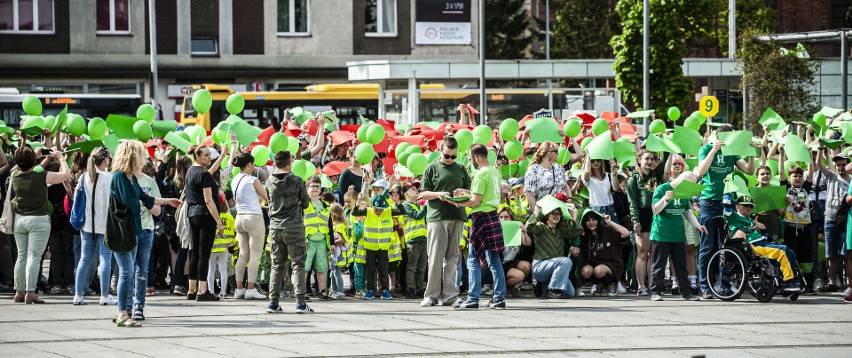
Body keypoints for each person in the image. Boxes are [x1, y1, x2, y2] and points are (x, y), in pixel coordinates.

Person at [110, 141, 181, 327]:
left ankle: (126, 311)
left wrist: (167, 201)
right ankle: (122, 312)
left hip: (134, 230)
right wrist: (145, 203)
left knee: (132, 271)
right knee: (127, 272)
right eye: (141, 155)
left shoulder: (131, 178)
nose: (144, 159)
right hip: (122, 231)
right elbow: (131, 203)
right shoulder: (119, 177)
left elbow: (146, 198)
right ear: (133, 156)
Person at [695, 124, 754, 299]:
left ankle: (724, 285)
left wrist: (751, 152)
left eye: (729, 136)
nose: (726, 139)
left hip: (727, 202)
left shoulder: (733, 152)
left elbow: (750, 170)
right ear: (716, 136)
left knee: (726, 246)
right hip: (708, 202)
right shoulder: (706, 149)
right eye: (723, 136)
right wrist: (713, 150)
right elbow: (701, 170)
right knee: (707, 246)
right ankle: (705, 286)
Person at [11, 145, 71, 304]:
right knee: (34, 256)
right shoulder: (41, 176)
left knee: (21, 255)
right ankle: (30, 292)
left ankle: (19, 291)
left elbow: (17, 167)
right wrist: (61, 158)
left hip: (19, 220)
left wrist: (34, 156)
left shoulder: (15, 176)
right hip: (38, 219)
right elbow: (65, 175)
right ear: (33, 161)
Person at [452, 144, 507, 310]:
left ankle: (473, 298)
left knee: (473, 259)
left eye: (470, 157)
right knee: (495, 261)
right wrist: (465, 191)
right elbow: (483, 195)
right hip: (492, 216)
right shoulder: (494, 172)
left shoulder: (481, 174)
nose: (470, 161)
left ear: (476, 157)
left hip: (480, 217)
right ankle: (499, 298)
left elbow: (475, 201)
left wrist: (455, 203)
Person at [418, 136, 471, 307]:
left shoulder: (461, 168)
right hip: (437, 216)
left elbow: (471, 193)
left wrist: (463, 191)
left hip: (457, 215)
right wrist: (438, 194)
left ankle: (449, 295)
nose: (450, 160)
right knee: (434, 258)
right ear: (440, 149)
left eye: (453, 156)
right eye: (447, 156)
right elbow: (422, 194)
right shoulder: (431, 167)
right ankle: (431, 295)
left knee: (453, 258)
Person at [265, 150, 313, 314]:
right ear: (289, 163)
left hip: (275, 227)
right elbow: (306, 203)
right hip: (294, 227)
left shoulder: (269, 181)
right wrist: (298, 201)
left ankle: (273, 303)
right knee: (298, 265)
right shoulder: (297, 181)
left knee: (277, 266)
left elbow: (270, 202)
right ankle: (300, 303)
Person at [725, 195, 803, 293]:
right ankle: (788, 282)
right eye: (745, 205)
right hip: (751, 246)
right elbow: (726, 206)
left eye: (751, 206)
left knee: (790, 252)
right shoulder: (733, 217)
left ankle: (791, 281)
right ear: (737, 206)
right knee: (783, 250)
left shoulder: (751, 220)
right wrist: (727, 192)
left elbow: (764, 236)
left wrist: (763, 228)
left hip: (762, 242)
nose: (749, 208)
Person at [648, 172, 706, 302]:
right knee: (659, 265)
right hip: (661, 234)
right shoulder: (662, 189)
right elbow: (655, 209)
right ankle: (655, 292)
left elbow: (687, 211)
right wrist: (665, 199)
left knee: (681, 265)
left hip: (677, 234)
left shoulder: (684, 193)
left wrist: (697, 225)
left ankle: (686, 293)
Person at [72, 147, 115, 306]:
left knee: (84, 258)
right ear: (105, 160)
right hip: (105, 225)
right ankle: (104, 295)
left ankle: (78, 294)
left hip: (87, 225)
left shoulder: (84, 177)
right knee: (105, 259)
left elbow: (77, 199)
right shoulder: (109, 177)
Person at [183, 145, 225, 302]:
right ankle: (202, 290)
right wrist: (219, 221)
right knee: (204, 254)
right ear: (198, 157)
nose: (209, 157)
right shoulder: (204, 174)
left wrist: (223, 155)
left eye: (210, 155)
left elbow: (210, 171)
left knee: (194, 252)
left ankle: (191, 289)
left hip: (193, 214)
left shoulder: (191, 171)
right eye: (206, 155)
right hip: (206, 216)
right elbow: (208, 200)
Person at [351, 176, 401, 300]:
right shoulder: (367, 211)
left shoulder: (388, 211)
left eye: (381, 208)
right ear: (372, 206)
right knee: (370, 270)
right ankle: (371, 290)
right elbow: (354, 213)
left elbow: (400, 210)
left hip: (384, 247)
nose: (378, 210)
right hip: (370, 247)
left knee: (384, 270)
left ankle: (385, 290)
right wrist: (357, 203)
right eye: (376, 208)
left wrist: (397, 201)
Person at [230, 151, 270, 300]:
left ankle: (239, 288)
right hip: (254, 217)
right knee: (255, 255)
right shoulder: (253, 180)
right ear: (250, 164)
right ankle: (251, 288)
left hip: (239, 217)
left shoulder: (235, 179)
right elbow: (266, 197)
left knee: (242, 254)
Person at [778, 147, 817, 294]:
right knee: (790, 256)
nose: (798, 178)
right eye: (794, 176)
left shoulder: (806, 188)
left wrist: (808, 155)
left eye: (800, 176)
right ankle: (790, 282)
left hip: (804, 228)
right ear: (790, 178)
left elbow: (811, 172)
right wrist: (781, 154)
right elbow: (781, 172)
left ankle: (809, 285)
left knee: (806, 257)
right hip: (789, 228)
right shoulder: (786, 188)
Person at [527, 196, 581, 299]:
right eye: (553, 213)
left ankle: (543, 288)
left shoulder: (561, 230)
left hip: (555, 268)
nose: (556, 216)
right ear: (547, 215)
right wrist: (535, 213)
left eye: (558, 214)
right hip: (540, 267)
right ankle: (552, 289)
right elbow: (529, 227)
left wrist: (574, 219)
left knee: (570, 293)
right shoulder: (540, 227)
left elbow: (578, 232)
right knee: (566, 261)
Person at [625, 149, 661, 295]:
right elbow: (632, 202)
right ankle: (641, 286)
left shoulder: (655, 176)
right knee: (642, 252)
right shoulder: (633, 179)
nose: (649, 161)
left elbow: (664, 163)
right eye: (646, 158)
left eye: (651, 159)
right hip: (643, 215)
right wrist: (636, 221)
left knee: (654, 253)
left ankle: (652, 286)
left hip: (656, 215)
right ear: (639, 160)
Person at [131, 159, 163, 321]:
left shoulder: (150, 182)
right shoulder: (123, 179)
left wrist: (146, 201)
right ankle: (126, 307)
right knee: (127, 270)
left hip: (146, 230)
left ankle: (139, 307)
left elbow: (157, 212)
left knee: (142, 269)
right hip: (128, 230)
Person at [814, 150, 850, 293]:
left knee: (845, 253)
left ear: (847, 164)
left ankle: (848, 282)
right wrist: (821, 148)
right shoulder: (832, 177)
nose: (840, 167)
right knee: (830, 254)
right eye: (838, 165)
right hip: (829, 220)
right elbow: (818, 163)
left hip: (844, 221)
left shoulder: (851, 180)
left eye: (843, 165)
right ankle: (832, 281)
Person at [579, 209, 631, 297]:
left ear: (598, 220)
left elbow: (626, 233)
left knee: (598, 270)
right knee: (585, 272)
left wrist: (610, 222)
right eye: (588, 220)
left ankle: (612, 283)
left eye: (594, 219)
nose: (591, 222)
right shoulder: (585, 236)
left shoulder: (607, 230)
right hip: (595, 265)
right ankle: (599, 283)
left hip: (612, 264)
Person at [303, 175, 332, 300]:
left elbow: (330, 225)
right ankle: (302, 291)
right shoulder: (304, 204)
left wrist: (332, 243)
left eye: (317, 186)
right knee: (305, 267)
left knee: (322, 267)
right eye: (312, 186)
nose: (315, 188)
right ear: (307, 188)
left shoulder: (325, 206)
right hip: (308, 240)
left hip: (321, 240)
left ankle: (322, 291)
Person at [398, 181, 428, 299]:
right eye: (412, 189)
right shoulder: (406, 205)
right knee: (412, 267)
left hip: (423, 238)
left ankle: (420, 288)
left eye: (416, 189)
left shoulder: (419, 205)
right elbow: (417, 215)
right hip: (412, 239)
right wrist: (427, 204)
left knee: (422, 267)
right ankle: (410, 289)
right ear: (406, 195)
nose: (416, 190)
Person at [524, 142, 570, 210]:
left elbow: (565, 185)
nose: (558, 154)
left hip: (560, 209)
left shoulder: (557, 167)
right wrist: (536, 213)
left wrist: (570, 200)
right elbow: (529, 193)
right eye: (556, 151)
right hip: (543, 210)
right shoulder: (533, 170)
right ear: (549, 153)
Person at [208, 197, 235, 299]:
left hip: (212, 247)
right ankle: (223, 292)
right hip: (224, 247)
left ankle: (211, 291)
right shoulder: (230, 217)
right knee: (223, 270)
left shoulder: (212, 216)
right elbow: (232, 234)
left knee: (211, 269)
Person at [581, 156, 620, 222]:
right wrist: (588, 155)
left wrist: (614, 173)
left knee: (615, 231)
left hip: (610, 208)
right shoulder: (588, 178)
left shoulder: (608, 175)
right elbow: (587, 171)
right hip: (597, 210)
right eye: (593, 161)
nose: (596, 162)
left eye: (598, 160)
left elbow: (616, 189)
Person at [328, 203, 350, 299]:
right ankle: (335, 290)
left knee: (336, 273)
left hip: (339, 254)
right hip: (334, 254)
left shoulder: (339, 226)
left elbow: (341, 240)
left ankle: (340, 291)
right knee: (332, 273)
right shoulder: (333, 225)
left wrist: (331, 243)